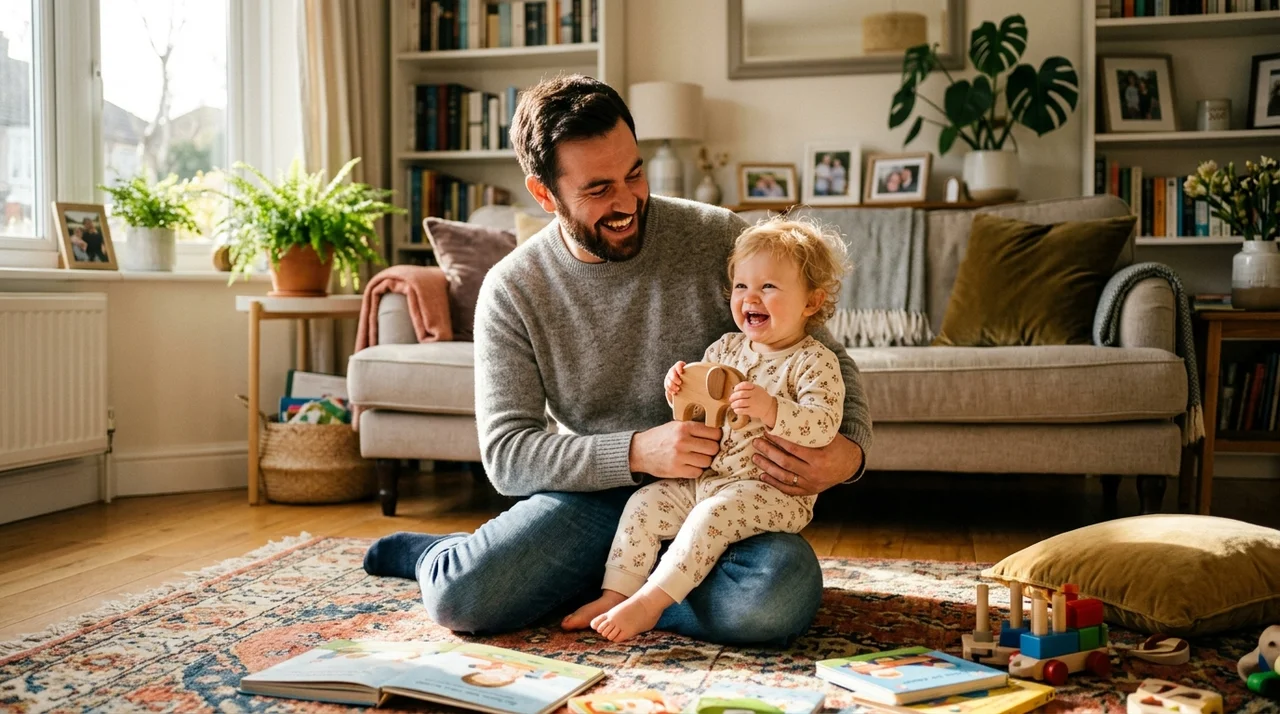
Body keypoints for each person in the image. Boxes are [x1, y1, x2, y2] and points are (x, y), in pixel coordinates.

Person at [361, 74, 872, 647]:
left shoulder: (716, 238)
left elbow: (823, 355)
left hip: (722, 494)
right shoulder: (513, 288)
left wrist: (846, 454)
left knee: (778, 597)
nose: (627, 202)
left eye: (634, 173)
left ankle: (619, 590)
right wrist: (637, 451)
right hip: (594, 499)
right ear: (544, 193)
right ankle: (453, 554)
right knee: (462, 595)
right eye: (598, 189)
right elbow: (507, 455)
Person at [565, 217, 848, 642]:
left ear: (811, 302)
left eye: (769, 287)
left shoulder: (814, 362)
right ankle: (615, 593)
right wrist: (677, 388)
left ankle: (652, 603)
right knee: (645, 503)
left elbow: (824, 425)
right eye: (741, 286)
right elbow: (697, 413)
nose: (750, 296)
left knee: (711, 517)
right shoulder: (725, 348)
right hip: (706, 480)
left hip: (771, 492)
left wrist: (773, 410)